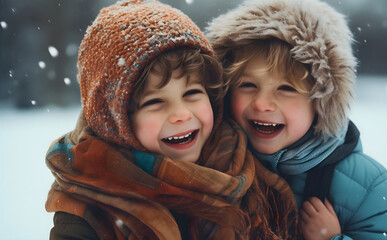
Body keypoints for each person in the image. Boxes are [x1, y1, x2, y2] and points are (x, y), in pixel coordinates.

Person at [45, 0, 300, 239]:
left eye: (191, 93)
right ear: (115, 124)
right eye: (155, 102)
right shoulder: (86, 208)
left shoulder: (245, 169)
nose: (181, 114)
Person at [206, 0, 387, 239]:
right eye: (248, 85)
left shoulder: (366, 185)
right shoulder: (213, 163)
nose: (261, 103)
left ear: (322, 102)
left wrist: (330, 238)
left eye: (286, 88)